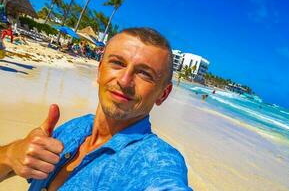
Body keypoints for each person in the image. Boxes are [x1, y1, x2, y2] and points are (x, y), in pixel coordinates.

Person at [0, 27, 191, 190]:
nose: (124, 81)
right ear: (100, 71)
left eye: (144, 74)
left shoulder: (154, 161)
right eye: (117, 63)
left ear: (163, 94)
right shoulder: (74, 127)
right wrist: (11, 155)